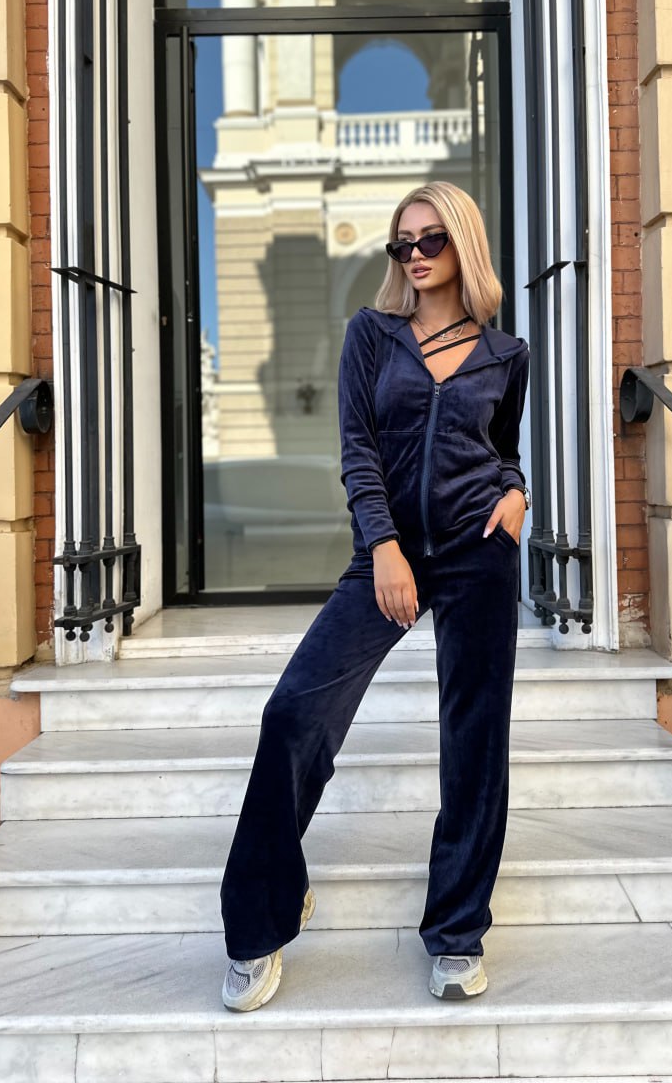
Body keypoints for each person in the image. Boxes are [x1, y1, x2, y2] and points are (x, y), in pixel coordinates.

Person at [220, 180, 531, 1012]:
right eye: (403, 243)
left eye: (432, 240)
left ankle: (457, 933)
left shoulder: (507, 354)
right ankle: (261, 919)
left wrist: (516, 491)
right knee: (294, 713)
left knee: (475, 742)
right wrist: (385, 545)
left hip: (479, 554)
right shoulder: (373, 334)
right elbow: (358, 449)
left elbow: (500, 447)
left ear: (464, 243)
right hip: (387, 554)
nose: (416, 255)